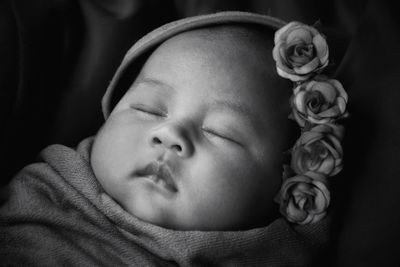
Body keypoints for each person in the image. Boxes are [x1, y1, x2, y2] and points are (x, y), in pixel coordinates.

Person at [0, 11, 340, 266]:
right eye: (148, 109)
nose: (170, 134)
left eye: (219, 132)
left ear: (281, 186)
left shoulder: (270, 255)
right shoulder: (48, 192)